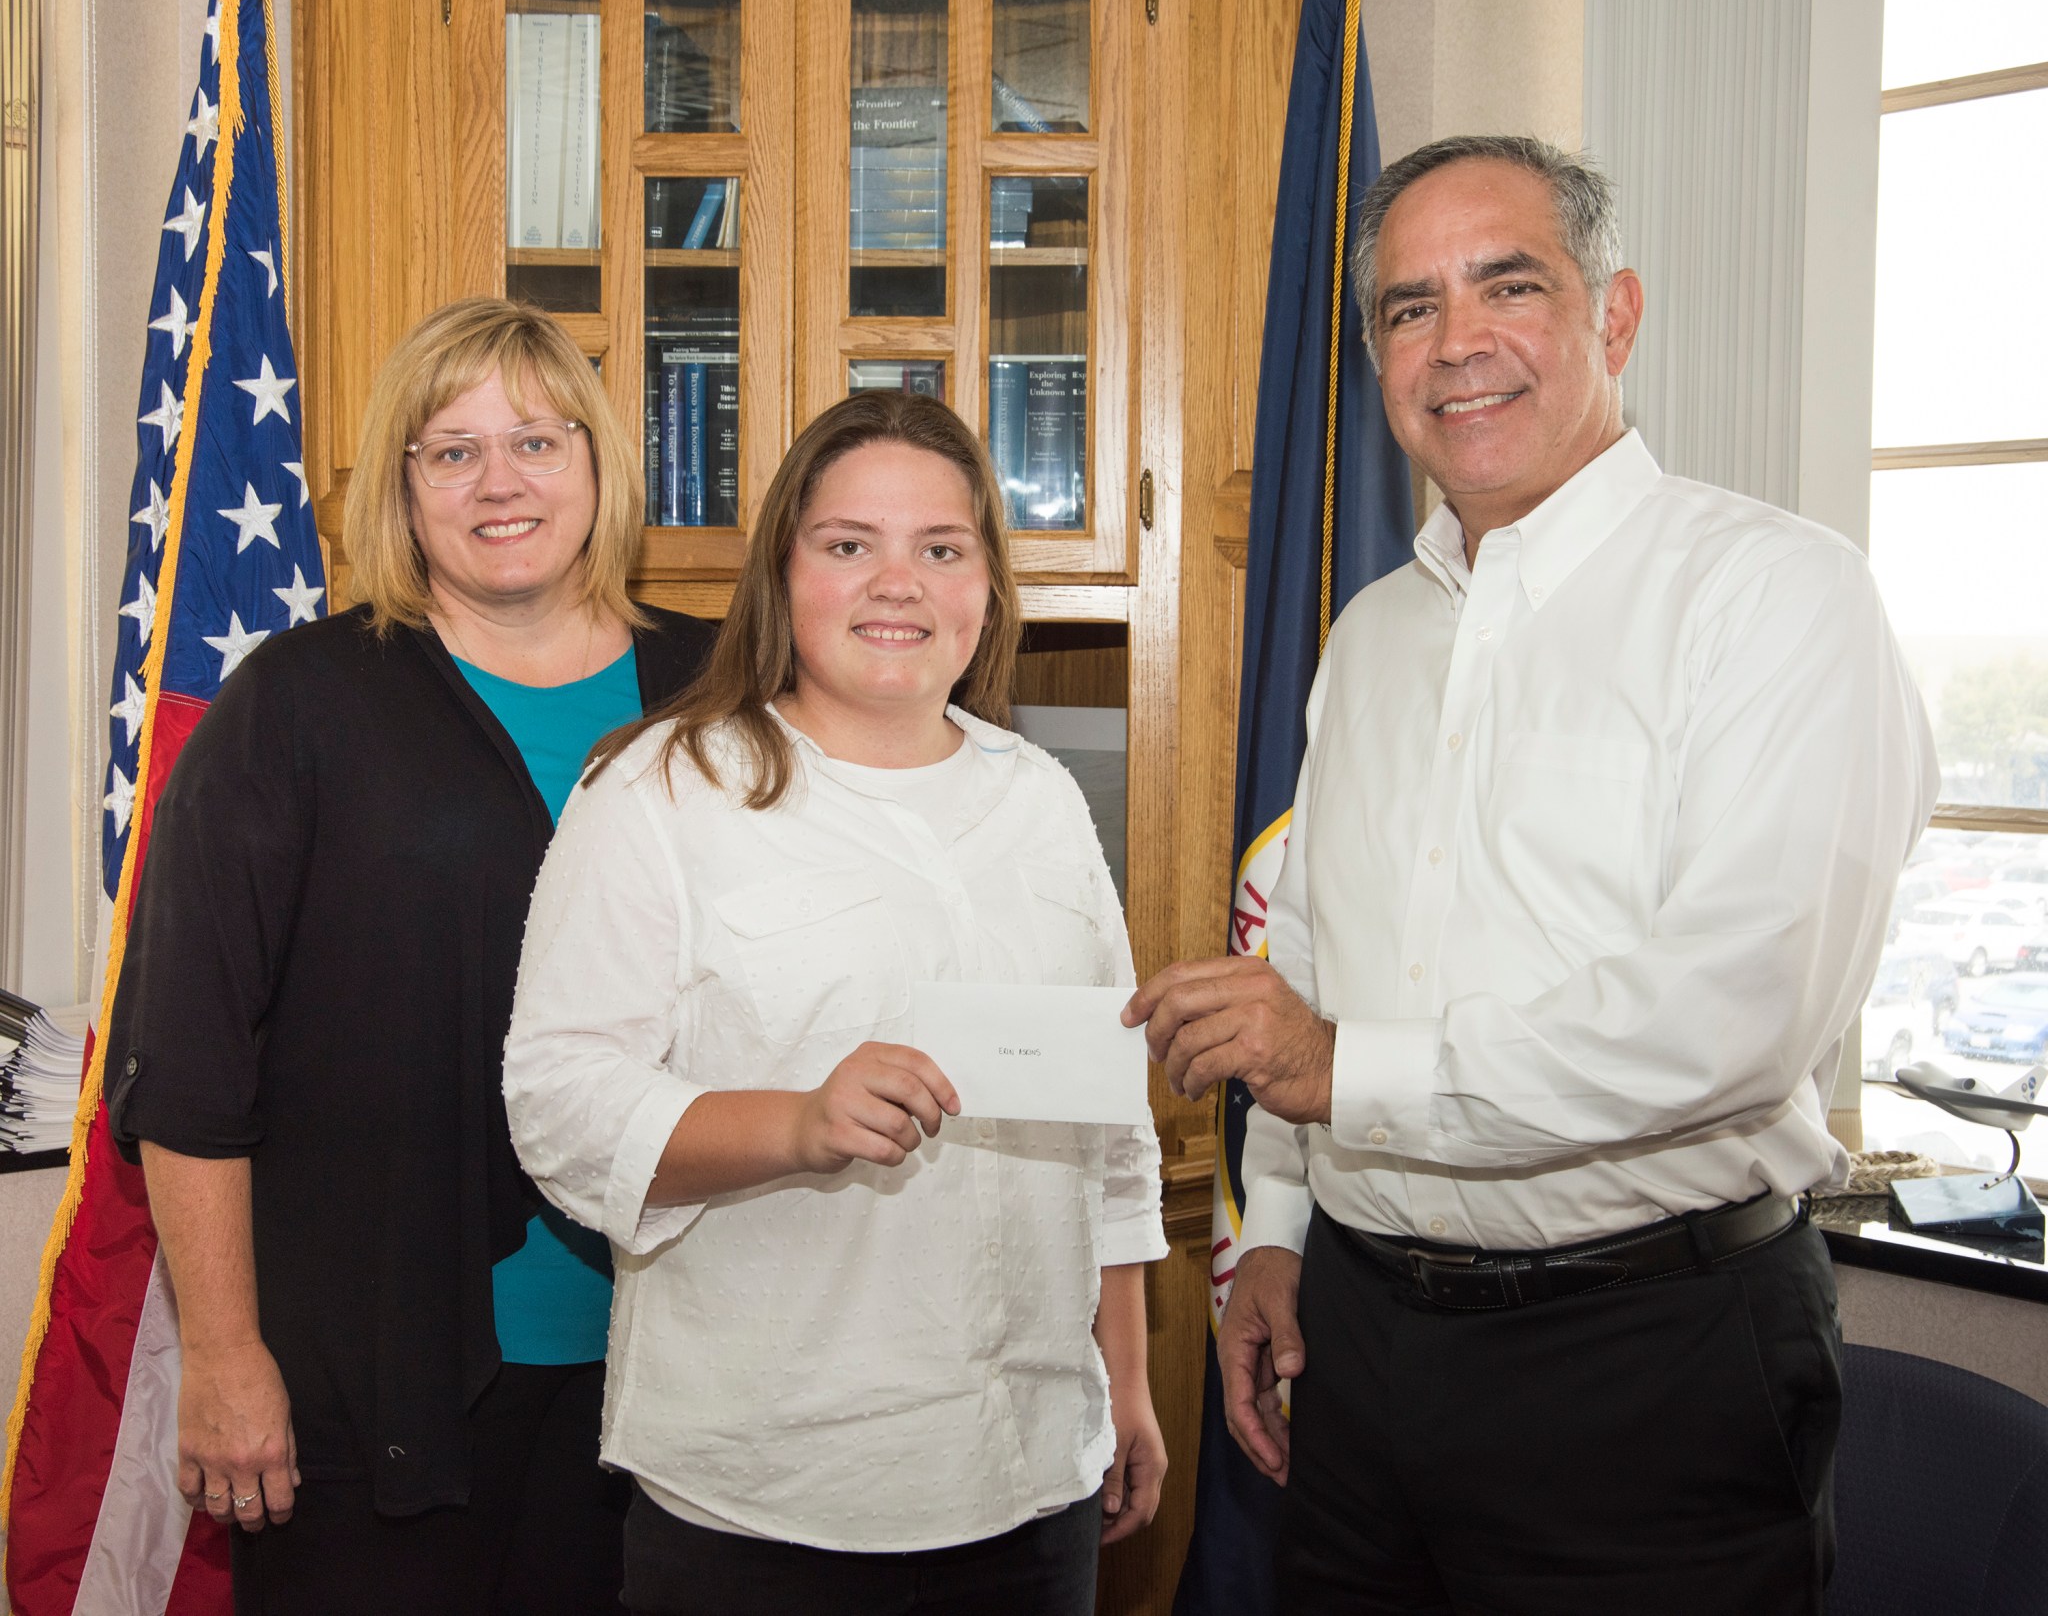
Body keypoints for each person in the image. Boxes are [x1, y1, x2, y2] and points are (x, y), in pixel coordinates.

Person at [1126, 135, 1938, 1614]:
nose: (1458, 344)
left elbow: (1729, 1018)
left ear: (1613, 314)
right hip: (1361, 1350)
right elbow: (1312, 955)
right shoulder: (1373, 633)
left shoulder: (1776, 599)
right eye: (1408, 308)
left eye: (1509, 285)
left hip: (1645, 1361)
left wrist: (1333, 1064)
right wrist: (1282, 1240)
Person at [502, 390, 1168, 1616]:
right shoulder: (660, 789)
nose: (895, 584)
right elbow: (558, 1104)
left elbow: (1103, 1120)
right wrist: (797, 1122)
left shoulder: (1041, 802)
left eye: (941, 548)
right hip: (764, 1503)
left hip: (1031, 1485)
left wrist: (1122, 1379)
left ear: (985, 585)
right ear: (783, 573)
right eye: (848, 544)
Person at [107, 297, 715, 1615]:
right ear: (402, 489)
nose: (500, 480)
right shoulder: (300, 702)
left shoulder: (722, 695)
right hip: (375, 1396)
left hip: (686, 1388)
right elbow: (194, 1061)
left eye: (538, 440)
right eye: (451, 451)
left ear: (601, 465)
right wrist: (220, 1354)